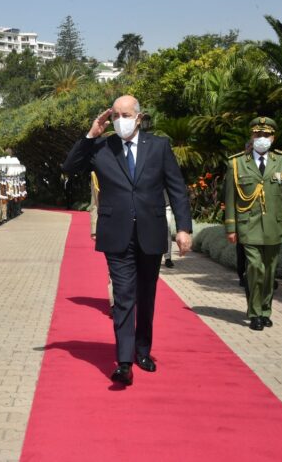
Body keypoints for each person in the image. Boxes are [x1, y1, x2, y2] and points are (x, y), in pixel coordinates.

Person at [63, 95, 192, 386]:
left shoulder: (158, 146)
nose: (120, 120)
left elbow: (177, 188)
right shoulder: (102, 147)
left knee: (146, 296)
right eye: (115, 115)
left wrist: (183, 228)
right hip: (116, 233)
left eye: (125, 114)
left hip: (151, 232)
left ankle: (142, 350)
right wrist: (91, 134)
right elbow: (69, 167)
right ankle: (123, 362)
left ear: (138, 116)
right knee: (122, 296)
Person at [224, 117, 282, 331]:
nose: (261, 139)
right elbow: (230, 198)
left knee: (270, 270)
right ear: (251, 136)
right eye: (257, 135)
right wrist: (231, 227)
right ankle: (255, 312)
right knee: (254, 268)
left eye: (266, 135)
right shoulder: (237, 163)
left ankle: (266, 309)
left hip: (274, 226)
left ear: (273, 137)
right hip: (248, 225)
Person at [87, 170, 114, 317]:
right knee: (114, 268)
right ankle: (115, 303)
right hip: (110, 225)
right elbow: (95, 202)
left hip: (136, 225)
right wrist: (94, 228)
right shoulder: (97, 173)